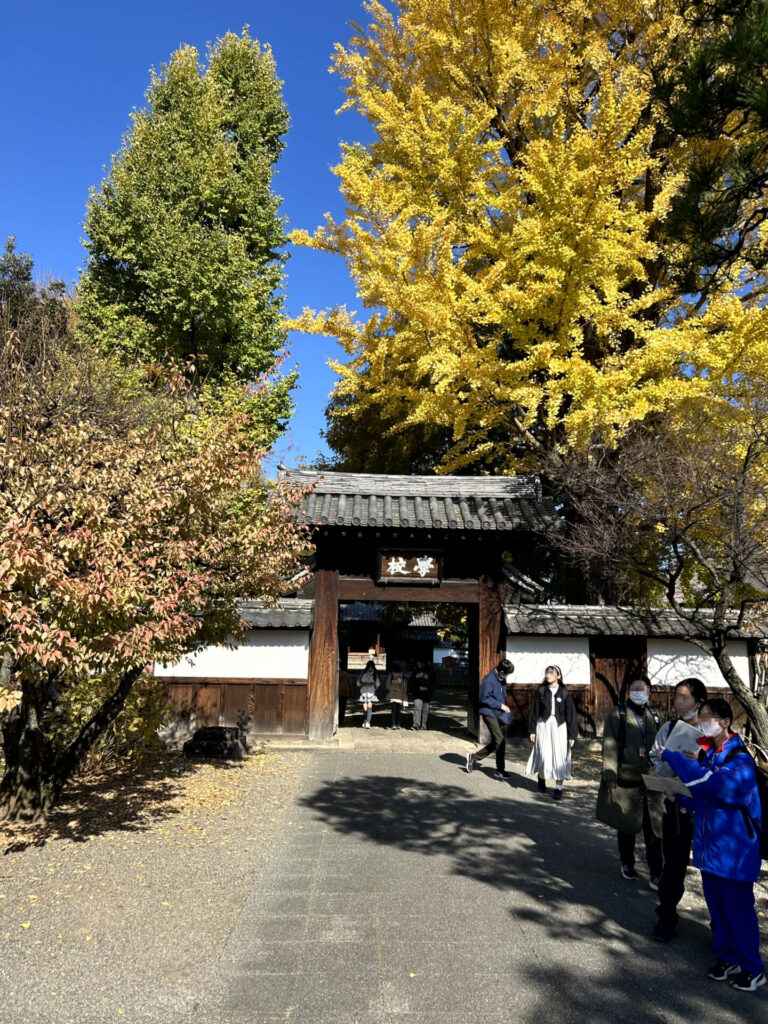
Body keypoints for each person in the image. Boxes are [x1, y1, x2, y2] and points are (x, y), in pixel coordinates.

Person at [660, 698, 765, 992]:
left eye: (708, 717)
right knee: (718, 910)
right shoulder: (711, 756)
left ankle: (753, 968)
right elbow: (704, 796)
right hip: (712, 850)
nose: (703, 722)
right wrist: (680, 798)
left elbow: (715, 786)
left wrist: (674, 758)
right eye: (702, 716)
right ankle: (728, 957)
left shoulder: (740, 760)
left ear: (725, 722)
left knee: (739, 912)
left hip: (735, 852)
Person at [649, 676, 707, 941]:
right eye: (676, 697)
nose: (678, 702)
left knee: (712, 871)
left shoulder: (709, 732)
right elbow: (655, 756)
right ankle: (666, 919)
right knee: (672, 866)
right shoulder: (669, 727)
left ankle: (721, 930)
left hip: (704, 811)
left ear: (698, 702)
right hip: (674, 806)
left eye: (684, 697)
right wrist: (665, 774)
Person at [596, 675, 664, 887]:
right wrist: (610, 774)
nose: (639, 692)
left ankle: (656, 872)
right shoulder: (618, 713)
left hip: (652, 778)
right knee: (627, 824)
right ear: (628, 691)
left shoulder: (655, 715)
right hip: (627, 777)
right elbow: (610, 744)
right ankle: (627, 862)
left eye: (643, 689)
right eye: (635, 688)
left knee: (654, 828)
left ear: (649, 691)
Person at [526, 665, 579, 800]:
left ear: (558, 676)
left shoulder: (564, 693)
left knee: (560, 757)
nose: (548, 675)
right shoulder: (541, 691)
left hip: (560, 726)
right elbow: (534, 711)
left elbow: (571, 715)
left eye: (551, 673)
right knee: (543, 754)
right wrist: (532, 730)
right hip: (543, 725)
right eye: (547, 673)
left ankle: (558, 788)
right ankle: (542, 777)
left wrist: (572, 735)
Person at [466, 659, 514, 780]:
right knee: (500, 740)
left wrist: (503, 708)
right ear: (502, 671)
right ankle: (500, 770)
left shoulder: (501, 679)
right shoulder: (489, 680)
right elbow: (483, 698)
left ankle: (473, 757)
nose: (507, 676)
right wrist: (500, 705)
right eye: (507, 673)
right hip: (489, 713)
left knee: (497, 741)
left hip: (498, 713)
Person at [408, 661, 437, 730]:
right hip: (417, 693)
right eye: (418, 663)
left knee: (425, 710)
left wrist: (429, 689)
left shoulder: (430, 672)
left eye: (420, 663)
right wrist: (412, 690)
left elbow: (434, 683)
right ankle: (416, 724)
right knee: (417, 708)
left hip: (427, 694)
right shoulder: (415, 672)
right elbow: (411, 682)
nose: (418, 664)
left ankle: (424, 725)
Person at [358, 659, 380, 728]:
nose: (370, 668)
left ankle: (368, 722)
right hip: (364, 692)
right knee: (365, 708)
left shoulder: (375, 674)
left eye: (371, 667)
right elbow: (358, 683)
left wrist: (372, 684)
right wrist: (363, 684)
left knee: (369, 707)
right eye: (369, 667)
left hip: (371, 692)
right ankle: (364, 721)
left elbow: (378, 684)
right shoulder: (363, 673)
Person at [386, 662, 408, 729]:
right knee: (396, 711)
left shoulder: (392, 676)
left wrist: (393, 687)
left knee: (395, 711)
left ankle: (395, 724)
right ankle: (396, 724)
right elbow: (404, 688)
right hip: (397, 696)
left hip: (395, 696)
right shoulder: (400, 677)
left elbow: (388, 686)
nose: (396, 673)